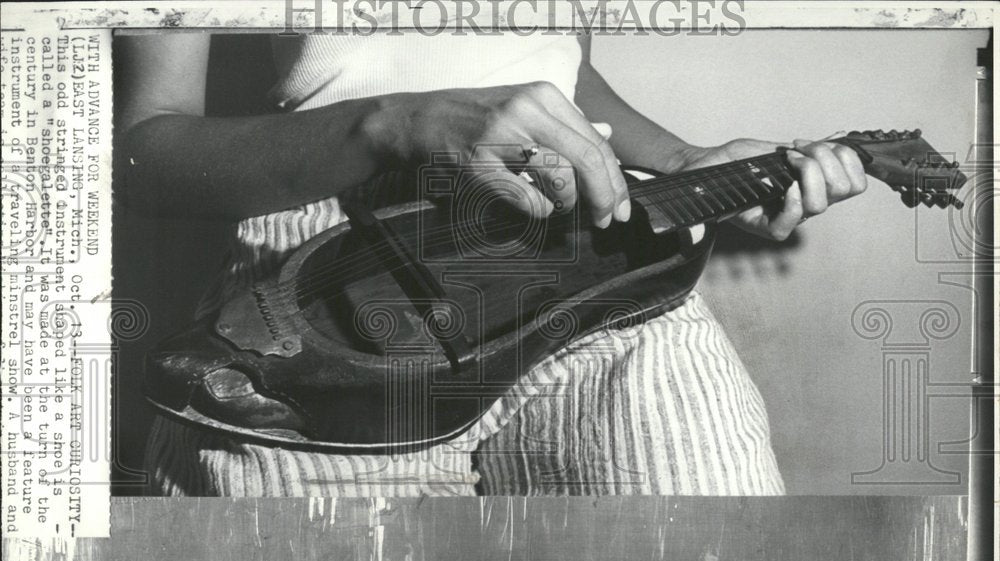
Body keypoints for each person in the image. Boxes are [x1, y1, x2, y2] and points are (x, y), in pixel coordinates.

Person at [118, 28, 867, 497]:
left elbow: (558, 65)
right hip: (335, 273)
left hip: (587, 256)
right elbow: (143, 152)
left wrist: (682, 160)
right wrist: (396, 122)